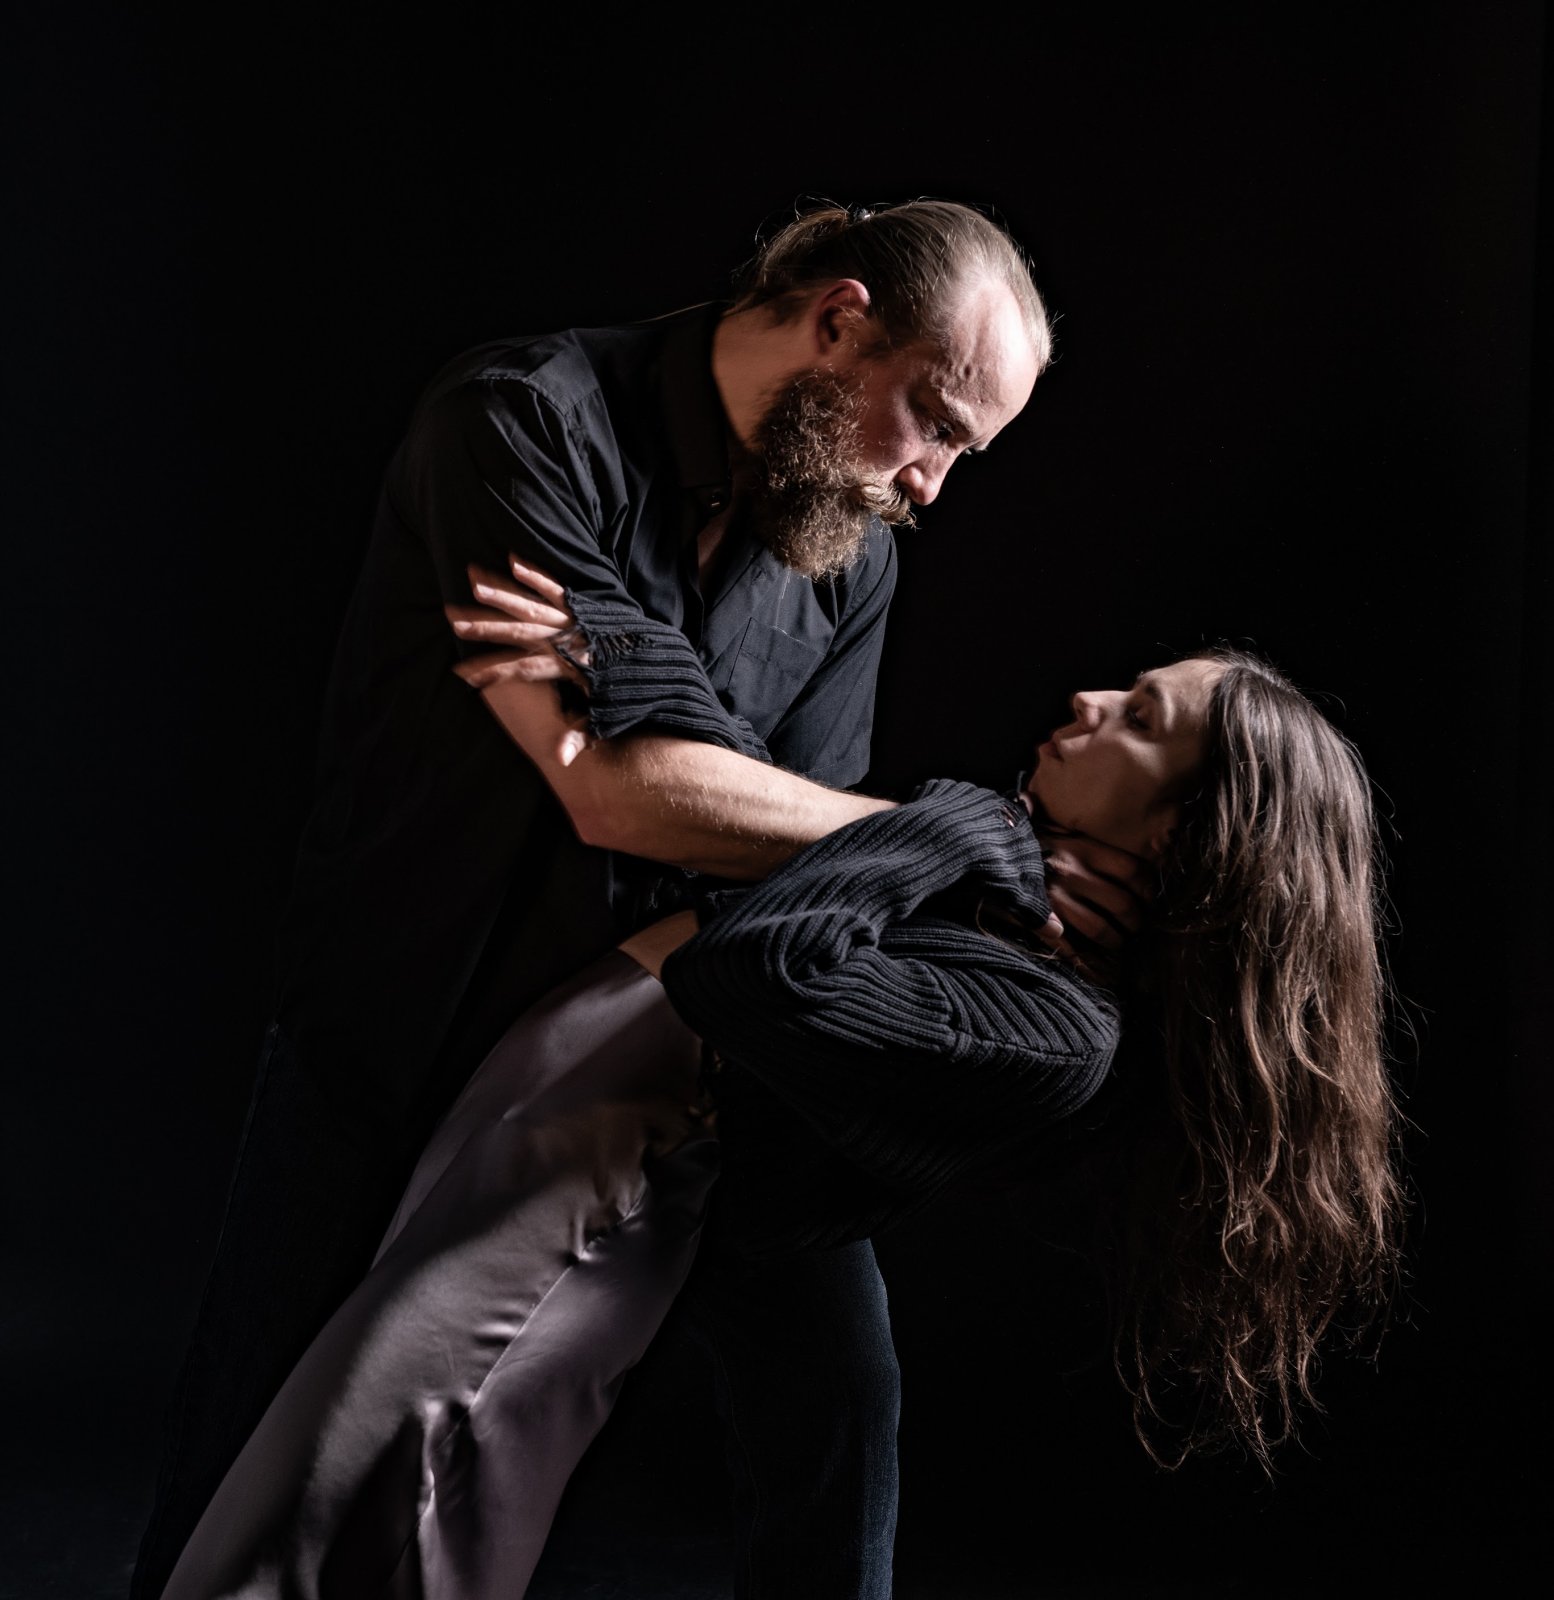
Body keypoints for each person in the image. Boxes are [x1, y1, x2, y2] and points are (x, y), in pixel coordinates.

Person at [133, 198, 1091, 1600]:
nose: (932, 484)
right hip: (401, 1023)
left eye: (963, 452)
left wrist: (671, 732)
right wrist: (933, 833)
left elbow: (782, 857)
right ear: (839, 323)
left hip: (665, 1048)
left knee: (840, 1404)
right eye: (935, 424)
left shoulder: (855, 557)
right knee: (254, 1450)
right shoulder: (524, 421)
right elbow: (627, 801)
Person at [158, 638, 1402, 1600]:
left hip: (629, 1155)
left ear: (1180, 836)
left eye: (1139, 719)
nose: (1089, 698)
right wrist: (613, 653)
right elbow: (771, 839)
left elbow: (748, 971)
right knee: (828, 1413)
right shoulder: (1012, 896)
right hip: (598, 1100)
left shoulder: (1055, 1022)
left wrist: (959, 824)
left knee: (373, 1491)